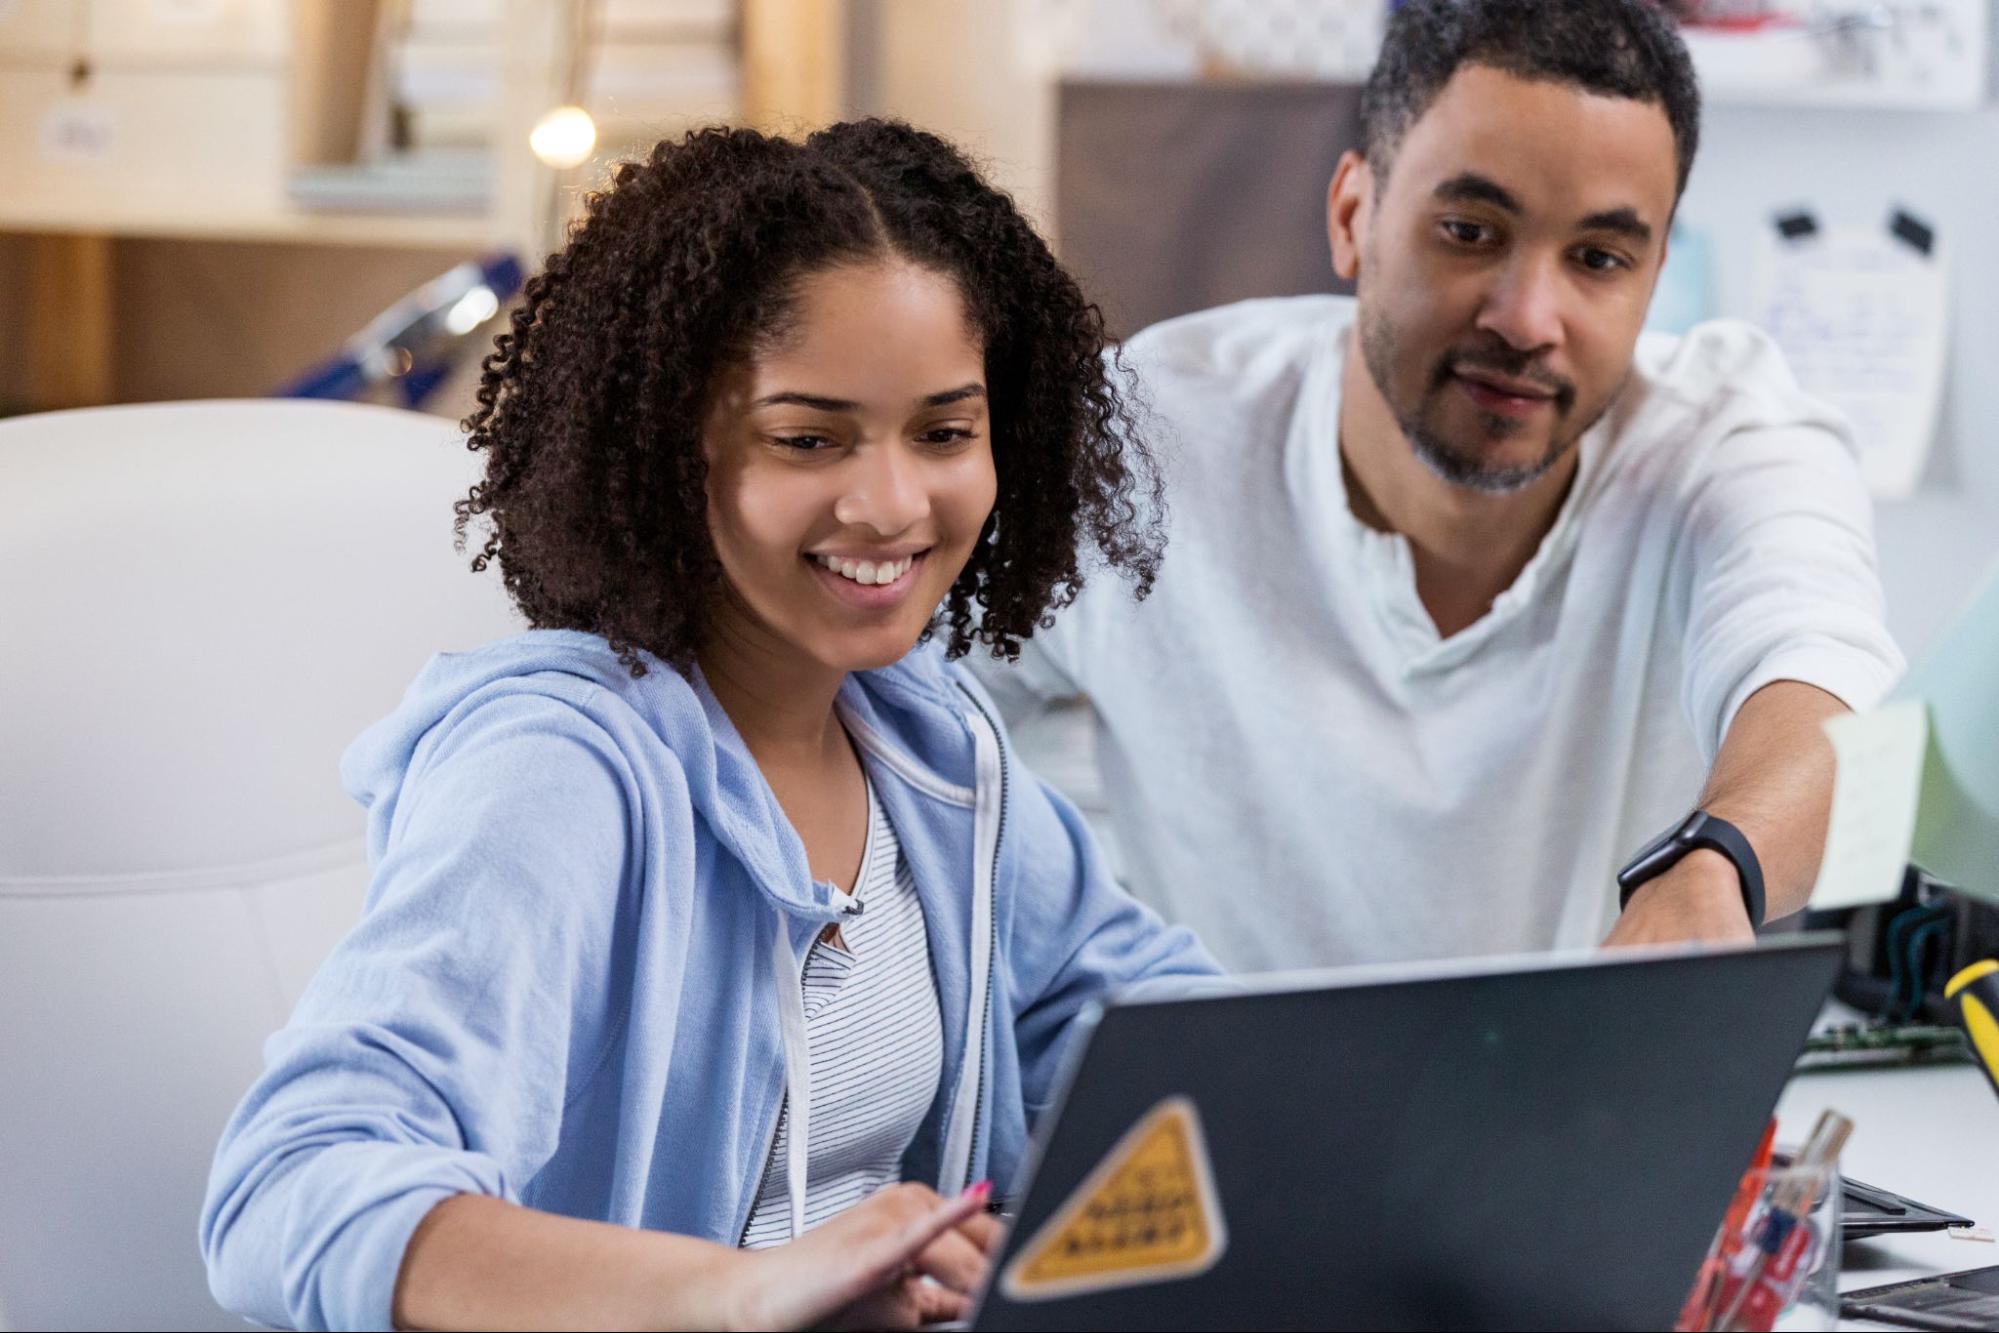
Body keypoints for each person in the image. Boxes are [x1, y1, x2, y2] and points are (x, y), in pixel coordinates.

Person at [200, 120, 1216, 1332]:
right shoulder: (562, 768)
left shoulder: (929, 745)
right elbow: (290, 1188)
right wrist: (747, 1294)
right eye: (807, 439)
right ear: (668, 449)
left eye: (944, 432)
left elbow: (1155, 1032)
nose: (893, 503)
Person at [972, 0, 1903, 973]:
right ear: (1351, 216)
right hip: (1213, 1117)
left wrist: (1714, 869)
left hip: (1596, 1111)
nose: (1527, 317)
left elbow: (1844, 708)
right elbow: (891, 713)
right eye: (1469, 230)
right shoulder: (1146, 442)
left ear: (1653, 273)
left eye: (1597, 259)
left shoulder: (1730, 443)